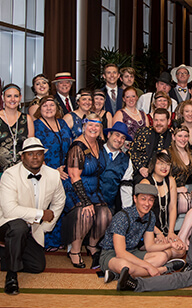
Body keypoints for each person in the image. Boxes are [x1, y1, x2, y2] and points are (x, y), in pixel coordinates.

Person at [0, 137, 66, 295]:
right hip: (1, 222)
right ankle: (11, 276)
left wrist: (45, 226)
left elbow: (60, 201)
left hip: (31, 227)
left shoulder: (52, 175)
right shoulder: (10, 175)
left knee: (37, 266)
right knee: (18, 226)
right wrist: (41, 214)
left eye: (38, 154)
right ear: (22, 157)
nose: (35, 157)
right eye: (30, 154)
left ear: (43, 156)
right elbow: (10, 210)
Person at [99, 183, 187, 282]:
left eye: (151, 200)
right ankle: (163, 269)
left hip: (133, 251)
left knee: (162, 256)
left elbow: (149, 246)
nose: (147, 203)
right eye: (143, 199)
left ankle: (118, 275)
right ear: (135, 199)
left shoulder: (150, 216)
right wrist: (149, 267)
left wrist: (171, 245)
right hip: (112, 254)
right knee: (126, 266)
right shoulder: (122, 217)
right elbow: (120, 253)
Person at [62, 113, 111, 269]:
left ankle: (91, 245)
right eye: (90, 124)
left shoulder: (99, 144)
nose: (93, 128)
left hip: (94, 190)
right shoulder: (77, 147)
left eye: (97, 125)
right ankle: (75, 251)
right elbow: (74, 177)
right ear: (83, 126)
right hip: (75, 190)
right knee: (86, 214)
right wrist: (85, 201)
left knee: (105, 215)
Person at [0, 84, 34, 207]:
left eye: (16, 96)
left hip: (21, 173)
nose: (12, 99)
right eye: (9, 96)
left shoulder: (27, 119)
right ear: (3, 98)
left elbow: (30, 148)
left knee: (20, 211)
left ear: (20, 98)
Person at [32, 96, 73, 251]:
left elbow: (70, 145)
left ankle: (63, 238)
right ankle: (47, 240)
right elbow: (35, 152)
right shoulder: (36, 125)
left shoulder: (62, 123)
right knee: (49, 205)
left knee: (64, 204)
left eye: (52, 105)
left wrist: (66, 167)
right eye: (45, 106)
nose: (48, 108)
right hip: (45, 172)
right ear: (39, 109)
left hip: (64, 171)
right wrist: (52, 171)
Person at [138, 153, 183, 239]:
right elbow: (141, 213)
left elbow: (173, 207)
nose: (164, 167)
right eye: (160, 163)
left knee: (180, 250)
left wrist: (171, 232)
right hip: (148, 231)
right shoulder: (146, 183)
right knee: (167, 250)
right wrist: (157, 233)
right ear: (153, 165)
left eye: (167, 164)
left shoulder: (171, 180)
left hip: (165, 230)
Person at [99, 121, 135, 214]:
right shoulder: (96, 151)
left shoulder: (126, 161)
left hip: (109, 207)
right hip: (89, 204)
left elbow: (126, 188)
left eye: (123, 138)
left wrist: (127, 212)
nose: (119, 140)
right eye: (117, 135)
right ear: (109, 135)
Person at [130, 109, 173, 181]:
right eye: (156, 120)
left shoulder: (173, 137)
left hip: (164, 175)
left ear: (168, 121)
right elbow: (133, 152)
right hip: (142, 173)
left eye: (162, 120)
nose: (158, 123)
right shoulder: (143, 132)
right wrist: (140, 168)